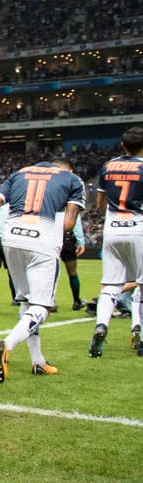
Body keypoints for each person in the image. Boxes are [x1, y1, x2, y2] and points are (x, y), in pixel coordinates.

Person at [0, 157, 84, 382]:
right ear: (66, 169)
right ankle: (7, 344)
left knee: (26, 302)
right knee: (42, 307)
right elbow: (69, 223)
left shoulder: (18, 174)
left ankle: (38, 362)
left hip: (11, 239)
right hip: (41, 244)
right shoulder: (72, 179)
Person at [88, 127, 143, 357]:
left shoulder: (108, 166)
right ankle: (138, 332)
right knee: (141, 284)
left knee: (111, 284)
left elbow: (100, 201)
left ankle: (101, 324)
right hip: (138, 228)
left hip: (112, 229)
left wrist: (108, 217)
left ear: (122, 145)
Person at [56, 214, 86, 312]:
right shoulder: (71, 203)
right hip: (67, 238)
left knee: (50, 272)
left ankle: (50, 301)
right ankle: (77, 301)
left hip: (51, 236)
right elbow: (76, 222)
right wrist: (81, 242)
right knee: (72, 273)